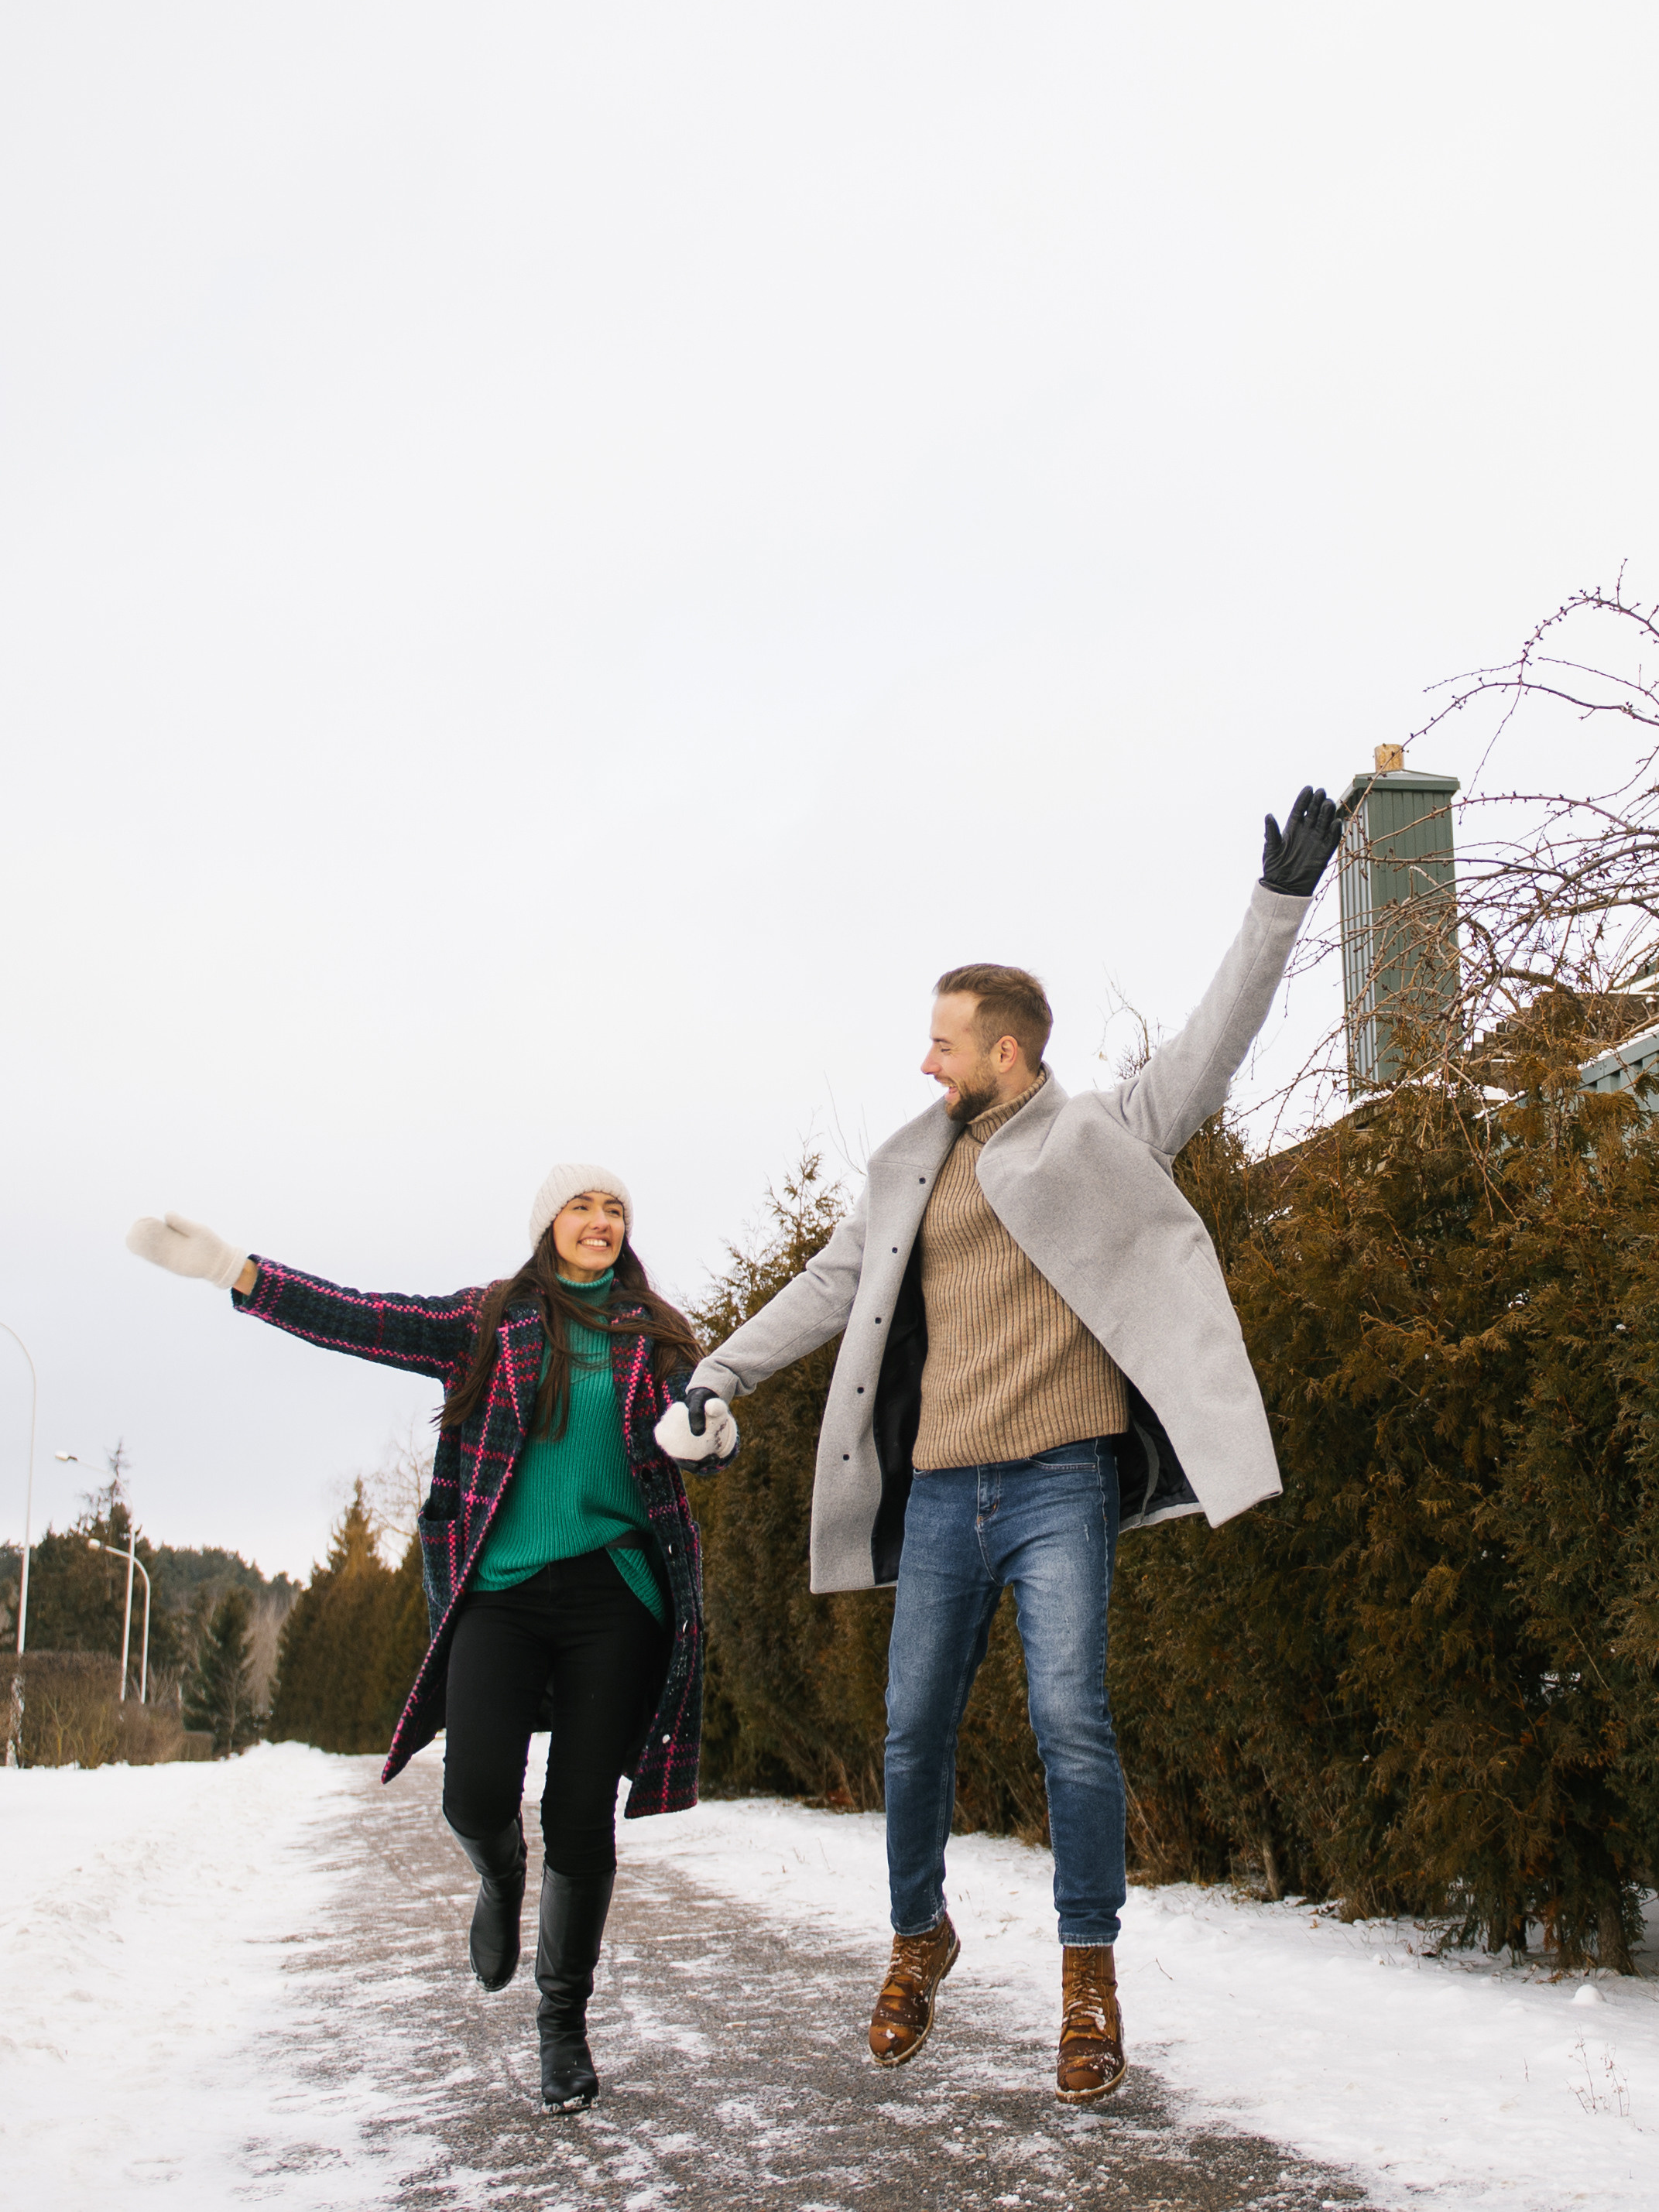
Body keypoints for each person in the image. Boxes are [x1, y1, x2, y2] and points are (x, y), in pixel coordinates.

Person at [686, 787, 1345, 2104]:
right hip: (939, 1486)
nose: (925, 1062)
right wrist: (715, 1366)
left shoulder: (1099, 1130)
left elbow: (1213, 1042)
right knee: (910, 1727)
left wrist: (1277, 904)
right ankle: (916, 1933)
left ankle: (1087, 1978)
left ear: (1007, 1050)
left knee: (1069, 1721)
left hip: (1057, 1478)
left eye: (943, 1042)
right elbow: (826, 1286)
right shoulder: (903, 1168)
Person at [127, 1162, 736, 2114]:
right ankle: (499, 1879)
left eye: (614, 1208)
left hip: (616, 1594)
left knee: (581, 1812)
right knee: (475, 1791)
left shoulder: (653, 1332)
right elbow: (364, 1318)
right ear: (547, 1223)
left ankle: (562, 2028)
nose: (600, 1220)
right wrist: (236, 1272)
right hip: (500, 1592)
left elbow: (691, 1413)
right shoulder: (489, 1319)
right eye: (581, 1204)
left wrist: (706, 1432)